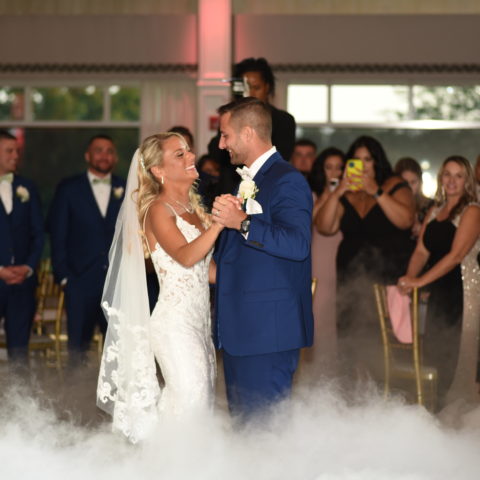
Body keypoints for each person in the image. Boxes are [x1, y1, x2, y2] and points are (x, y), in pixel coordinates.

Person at [97, 132, 223, 442]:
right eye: (179, 154)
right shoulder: (158, 209)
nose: (190, 157)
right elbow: (184, 257)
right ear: (159, 171)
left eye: (188, 151)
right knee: (190, 401)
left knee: (199, 403)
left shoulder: (194, 210)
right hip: (174, 325)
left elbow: (208, 272)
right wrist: (221, 222)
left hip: (199, 322)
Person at [211, 97, 313, 419]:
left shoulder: (287, 179)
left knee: (265, 436)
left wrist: (242, 222)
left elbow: (298, 245)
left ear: (249, 133)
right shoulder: (248, 182)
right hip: (242, 329)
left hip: (268, 331)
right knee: (245, 433)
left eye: (226, 135)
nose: (221, 143)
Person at [398, 156, 480, 406]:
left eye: (458, 175)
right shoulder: (434, 210)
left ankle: (459, 418)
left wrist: (420, 281)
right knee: (436, 350)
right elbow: (422, 251)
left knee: (461, 353)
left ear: (467, 181)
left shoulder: (473, 210)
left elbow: (456, 256)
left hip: (465, 289)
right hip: (438, 290)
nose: (452, 180)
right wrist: (409, 279)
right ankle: (436, 409)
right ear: (440, 177)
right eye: (447, 174)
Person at [316, 136, 415, 334]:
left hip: (387, 272)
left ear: (377, 161)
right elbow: (325, 227)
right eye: (357, 160)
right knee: (350, 334)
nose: (362, 165)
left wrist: (376, 191)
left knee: (384, 338)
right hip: (350, 273)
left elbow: (405, 220)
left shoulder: (394, 184)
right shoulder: (346, 193)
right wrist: (337, 192)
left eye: (368, 159)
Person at [47, 135, 125, 366]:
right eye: (99, 150)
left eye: (109, 151)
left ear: (116, 157)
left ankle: (115, 399)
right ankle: (74, 398)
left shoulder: (127, 187)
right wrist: (64, 277)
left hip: (116, 283)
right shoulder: (69, 189)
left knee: (119, 351)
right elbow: (57, 234)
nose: (104, 155)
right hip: (79, 283)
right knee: (77, 353)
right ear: (88, 156)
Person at [208, 57, 297, 196]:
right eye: (245, 88)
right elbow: (216, 152)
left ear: (267, 87)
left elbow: (281, 156)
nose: (250, 93)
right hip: (230, 188)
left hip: (266, 190)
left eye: (256, 88)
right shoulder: (229, 117)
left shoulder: (282, 120)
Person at [299, 147, 345, 380]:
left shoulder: (350, 195)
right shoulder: (314, 193)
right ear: (321, 170)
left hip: (340, 262)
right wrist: (330, 194)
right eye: (329, 167)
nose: (334, 172)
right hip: (319, 261)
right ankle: (312, 378)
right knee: (318, 319)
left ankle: (334, 376)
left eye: (339, 167)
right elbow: (310, 222)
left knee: (337, 320)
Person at [0, 130, 44, 364]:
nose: (15, 155)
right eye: (9, 150)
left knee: (20, 355)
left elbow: (38, 234)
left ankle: (19, 401)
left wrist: (27, 267)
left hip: (22, 284)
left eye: (16, 150)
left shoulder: (27, 187)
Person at [394, 157, 433, 238]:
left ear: (420, 182)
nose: (409, 187)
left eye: (413, 182)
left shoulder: (431, 206)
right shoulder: (389, 205)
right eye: (404, 183)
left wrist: (423, 231)